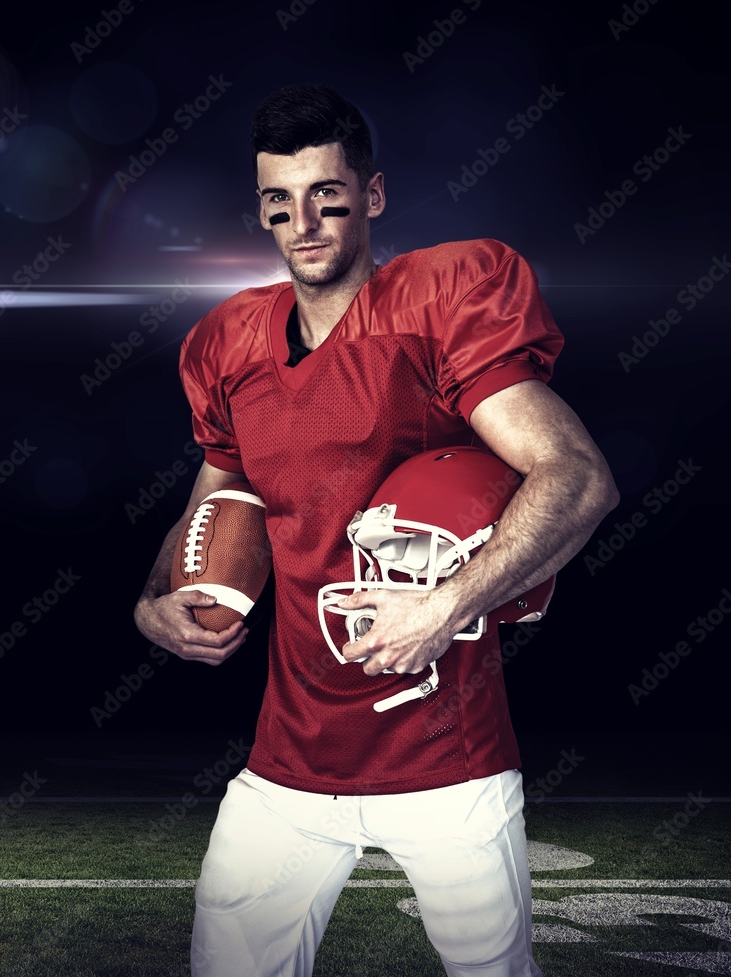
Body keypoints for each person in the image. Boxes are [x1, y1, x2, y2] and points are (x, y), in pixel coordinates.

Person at [133, 83, 618, 977]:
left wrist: (446, 604)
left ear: (373, 196)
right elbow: (217, 493)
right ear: (264, 214)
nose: (303, 222)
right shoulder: (230, 345)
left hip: (446, 759)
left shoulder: (437, 308)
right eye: (281, 204)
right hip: (287, 759)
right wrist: (152, 600)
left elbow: (578, 475)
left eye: (327, 196)